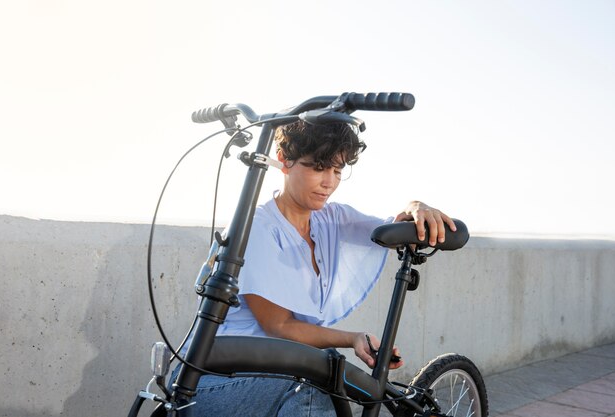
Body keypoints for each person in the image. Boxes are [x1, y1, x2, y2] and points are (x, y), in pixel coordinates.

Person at [173, 120, 456, 416]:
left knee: (323, 372)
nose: (329, 182)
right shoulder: (258, 228)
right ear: (284, 161)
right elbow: (278, 327)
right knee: (315, 383)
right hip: (217, 380)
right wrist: (352, 338)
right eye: (318, 168)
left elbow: (392, 228)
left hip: (280, 370)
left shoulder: (330, 220)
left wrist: (416, 205)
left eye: (337, 170)